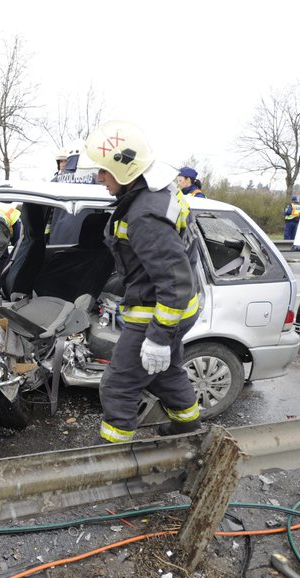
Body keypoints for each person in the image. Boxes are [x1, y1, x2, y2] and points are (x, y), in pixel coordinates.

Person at [83, 120, 202, 442]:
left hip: (159, 310)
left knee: (118, 384)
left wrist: (159, 337)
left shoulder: (145, 217)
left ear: (125, 171)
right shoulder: (156, 193)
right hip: (172, 307)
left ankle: (110, 459)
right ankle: (188, 429)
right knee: (165, 374)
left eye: (104, 171)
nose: (100, 178)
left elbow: (174, 283)